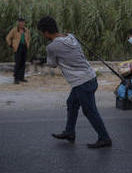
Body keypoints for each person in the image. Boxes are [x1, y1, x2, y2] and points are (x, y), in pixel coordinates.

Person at [37, 16, 112, 149]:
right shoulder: (71, 37)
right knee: (71, 103)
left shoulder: (52, 47)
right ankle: (69, 132)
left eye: (42, 33)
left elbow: (52, 64)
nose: (43, 35)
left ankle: (105, 138)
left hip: (82, 82)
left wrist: (42, 59)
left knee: (89, 111)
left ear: (46, 33)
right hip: (90, 78)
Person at [6, 18, 31, 84]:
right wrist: (11, 45)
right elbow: (8, 37)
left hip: (24, 47)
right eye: (21, 22)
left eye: (23, 22)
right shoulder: (14, 30)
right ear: (18, 23)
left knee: (23, 63)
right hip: (17, 48)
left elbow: (29, 37)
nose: (22, 24)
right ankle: (16, 78)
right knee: (18, 63)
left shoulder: (26, 30)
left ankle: (21, 78)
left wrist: (27, 43)